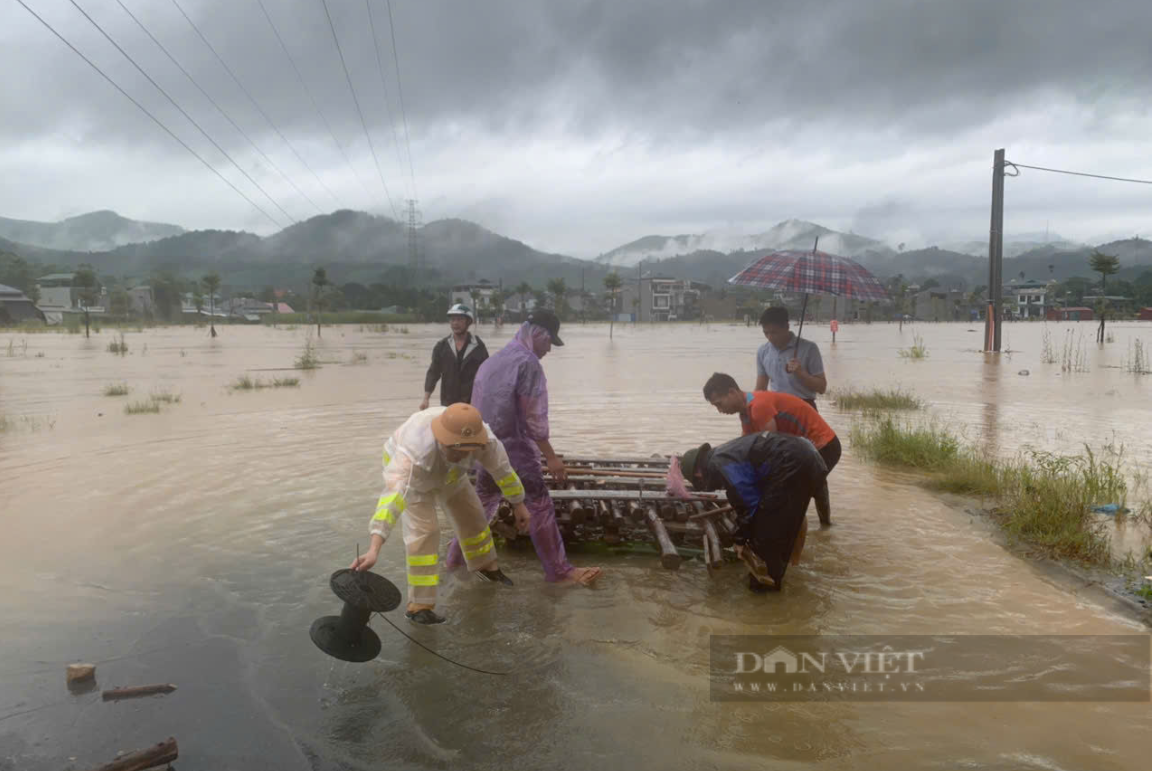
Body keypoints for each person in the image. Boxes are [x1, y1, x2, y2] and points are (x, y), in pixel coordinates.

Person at [445, 309, 602, 586]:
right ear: (537, 335)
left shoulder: (492, 361)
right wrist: (551, 457)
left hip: (484, 449)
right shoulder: (528, 363)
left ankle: (454, 561)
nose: (549, 349)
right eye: (549, 342)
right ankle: (560, 572)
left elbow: (474, 409)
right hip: (515, 450)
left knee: (480, 509)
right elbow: (534, 418)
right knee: (540, 506)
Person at [350, 403, 533, 625]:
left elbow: (503, 471)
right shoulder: (413, 452)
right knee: (425, 533)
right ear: (441, 439)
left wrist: (518, 503)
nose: (459, 454)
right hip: (414, 480)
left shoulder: (485, 440)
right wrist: (374, 548)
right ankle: (419, 607)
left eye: (465, 450)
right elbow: (392, 499)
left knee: (474, 518)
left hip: (452, 476)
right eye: (454, 449)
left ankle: (486, 569)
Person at [671, 432, 828, 593]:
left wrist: (740, 540)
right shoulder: (724, 453)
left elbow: (750, 504)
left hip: (794, 463)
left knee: (767, 537)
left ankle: (766, 597)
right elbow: (744, 496)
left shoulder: (721, 463)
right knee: (783, 525)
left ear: (699, 474)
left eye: (699, 482)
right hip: (809, 456)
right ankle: (787, 576)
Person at [702, 372, 841, 526]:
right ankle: (825, 528)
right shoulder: (746, 415)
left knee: (796, 491)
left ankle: (813, 530)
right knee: (812, 485)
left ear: (732, 392)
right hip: (810, 448)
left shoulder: (759, 406)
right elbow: (745, 450)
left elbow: (773, 452)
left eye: (719, 404)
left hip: (824, 445)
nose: (720, 410)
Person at [755, 307, 827, 411]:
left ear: (787, 327)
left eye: (774, 332)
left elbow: (822, 387)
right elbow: (760, 389)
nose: (770, 337)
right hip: (776, 407)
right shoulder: (763, 351)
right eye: (766, 333)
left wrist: (801, 373)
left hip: (804, 407)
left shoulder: (809, 348)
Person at [421, 304, 488, 409]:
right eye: (452, 320)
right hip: (448, 403)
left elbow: (486, 374)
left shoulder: (478, 346)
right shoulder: (441, 346)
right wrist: (426, 399)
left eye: (459, 319)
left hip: (472, 403)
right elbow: (433, 373)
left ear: (468, 322)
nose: (455, 323)